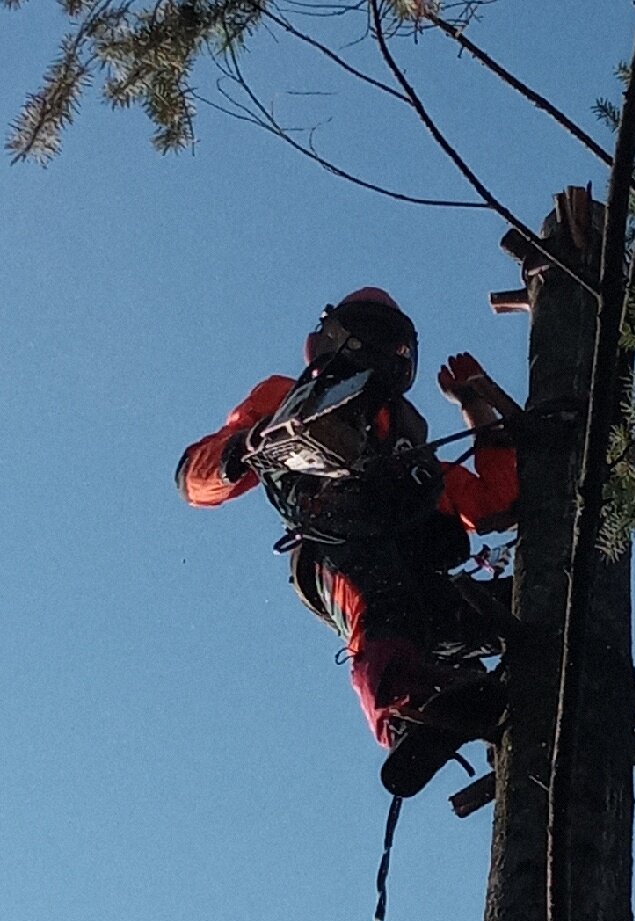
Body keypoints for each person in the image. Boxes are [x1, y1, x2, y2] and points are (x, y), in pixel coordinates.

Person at [176, 287, 519, 796]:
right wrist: (247, 447)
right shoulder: (288, 400)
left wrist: (475, 403)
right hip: (336, 555)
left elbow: (495, 504)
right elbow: (194, 479)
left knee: (511, 605)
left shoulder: (410, 451)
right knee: (379, 597)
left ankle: (517, 676)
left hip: (423, 591)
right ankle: (404, 713)